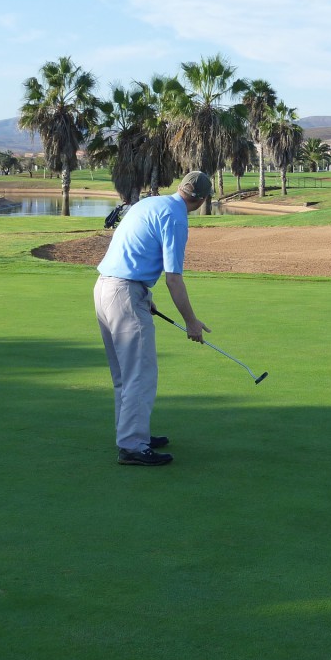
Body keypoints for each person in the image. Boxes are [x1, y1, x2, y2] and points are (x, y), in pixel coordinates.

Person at [94, 171, 212, 466]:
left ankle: (133, 434)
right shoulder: (176, 217)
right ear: (200, 200)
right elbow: (174, 278)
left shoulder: (149, 203)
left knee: (124, 374)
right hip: (125, 292)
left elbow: (134, 251)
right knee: (140, 373)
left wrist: (142, 296)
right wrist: (191, 322)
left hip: (106, 287)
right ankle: (133, 445)